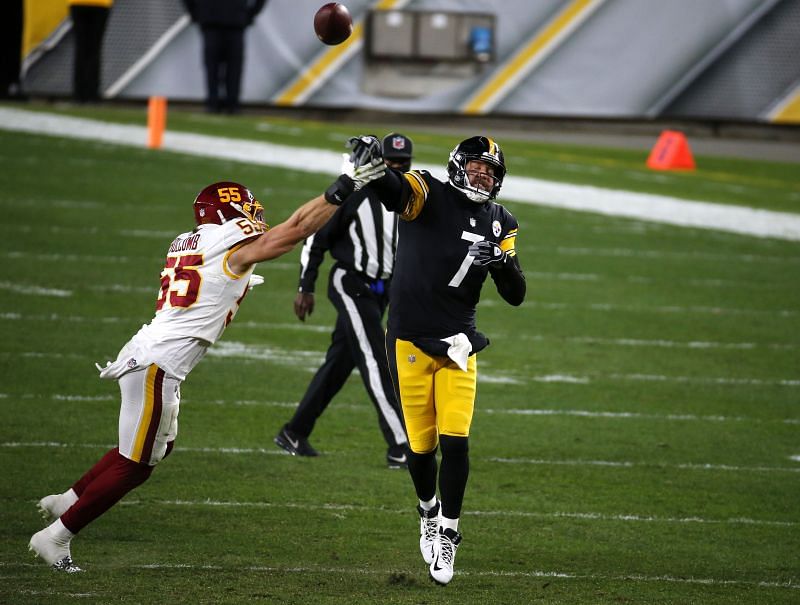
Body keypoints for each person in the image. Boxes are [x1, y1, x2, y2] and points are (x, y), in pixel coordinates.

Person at [28, 179, 350, 572]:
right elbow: (296, 229)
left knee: (155, 448)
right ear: (227, 214)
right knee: (136, 465)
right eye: (245, 206)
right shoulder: (230, 242)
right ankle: (56, 537)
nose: (253, 213)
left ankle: (69, 499)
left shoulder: (191, 241)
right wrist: (341, 190)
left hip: (149, 356)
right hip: (157, 365)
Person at [325, 135, 526, 585]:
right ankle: (427, 511)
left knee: (456, 440)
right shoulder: (427, 191)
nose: (483, 176)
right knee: (421, 447)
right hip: (411, 340)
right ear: (459, 165)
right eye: (477, 167)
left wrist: (501, 263)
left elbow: (516, 296)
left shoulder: (501, 221)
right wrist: (376, 169)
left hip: (458, 341)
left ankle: (450, 532)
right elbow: (394, 191)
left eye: (491, 172)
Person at [274, 133, 414, 469]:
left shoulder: (410, 195)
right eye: (390, 162)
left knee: (340, 363)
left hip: (384, 290)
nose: (395, 168)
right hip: (350, 282)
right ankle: (400, 444)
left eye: (402, 163)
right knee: (375, 358)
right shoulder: (356, 194)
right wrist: (305, 286)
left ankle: (294, 432)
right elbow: (316, 239)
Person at [182, 0, 267, 114]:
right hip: (211, 21)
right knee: (212, 68)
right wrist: (196, 13)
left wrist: (250, 14)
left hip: (235, 22)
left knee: (234, 68)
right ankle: (213, 103)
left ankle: (233, 103)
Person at [69, 0, 113, 103]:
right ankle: (92, 94)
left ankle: (79, 94)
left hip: (78, 3)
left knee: (81, 49)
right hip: (100, 4)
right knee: (94, 50)